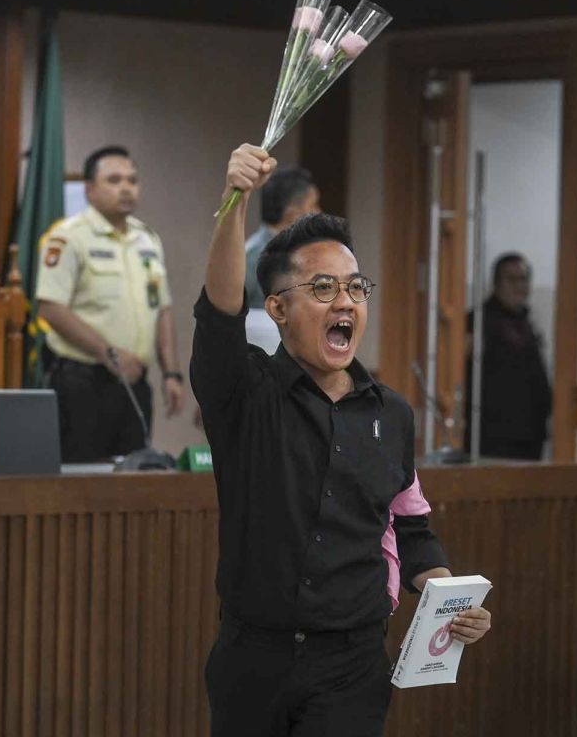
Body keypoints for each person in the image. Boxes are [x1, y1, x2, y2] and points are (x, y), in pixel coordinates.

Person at [192, 144, 491, 736]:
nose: (346, 302)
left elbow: (411, 528)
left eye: (356, 288)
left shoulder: (392, 415)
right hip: (254, 660)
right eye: (324, 288)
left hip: (353, 665)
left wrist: (452, 601)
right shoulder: (244, 394)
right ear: (278, 308)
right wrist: (235, 201)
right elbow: (219, 315)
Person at [36, 146, 187, 462]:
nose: (126, 188)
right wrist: (108, 353)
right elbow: (50, 308)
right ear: (90, 190)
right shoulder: (68, 237)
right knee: (82, 480)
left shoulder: (147, 239)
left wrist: (171, 373)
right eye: (114, 180)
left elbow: (162, 309)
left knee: (135, 476)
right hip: (82, 383)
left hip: (134, 384)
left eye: (132, 180)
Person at [465, 253, 552, 460]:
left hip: (531, 435)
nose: (519, 286)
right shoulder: (478, 321)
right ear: (497, 283)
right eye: (511, 279)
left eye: (524, 279)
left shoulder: (527, 321)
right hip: (493, 437)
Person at [244, 166, 321, 308]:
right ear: (292, 212)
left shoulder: (301, 250)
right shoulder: (253, 256)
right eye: (313, 205)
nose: (318, 212)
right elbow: (230, 312)